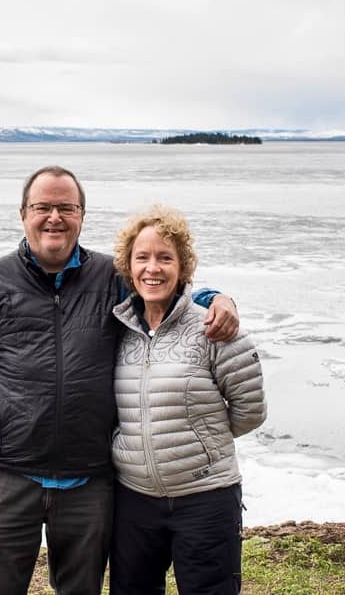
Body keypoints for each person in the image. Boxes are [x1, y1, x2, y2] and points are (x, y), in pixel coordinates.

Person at [0, 166, 240, 595]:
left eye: (66, 207)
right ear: (23, 213)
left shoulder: (110, 278)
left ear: (82, 215)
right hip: (5, 475)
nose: (54, 217)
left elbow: (166, 294)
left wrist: (216, 298)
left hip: (89, 482)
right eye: (43, 207)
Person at [108, 205, 266, 595]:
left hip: (205, 497)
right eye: (142, 258)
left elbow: (250, 412)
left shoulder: (214, 329)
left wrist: (198, 439)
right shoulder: (115, 331)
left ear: (183, 267)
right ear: (128, 267)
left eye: (165, 258)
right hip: (134, 500)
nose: (153, 268)